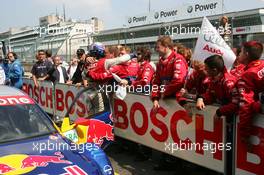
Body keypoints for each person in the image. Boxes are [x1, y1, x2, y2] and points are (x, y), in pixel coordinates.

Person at [236, 41, 264, 146]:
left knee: (253, 105)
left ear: (246, 54)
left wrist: (244, 135)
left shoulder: (248, 74)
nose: (239, 54)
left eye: (241, 52)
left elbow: (245, 105)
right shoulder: (262, 64)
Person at [151, 36, 188, 109]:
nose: (156, 50)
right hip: (165, 100)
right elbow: (156, 82)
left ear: (166, 47)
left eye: (158, 47)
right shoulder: (160, 63)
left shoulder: (178, 59)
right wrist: (155, 98)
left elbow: (179, 81)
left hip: (179, 102)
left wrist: (164, 92)